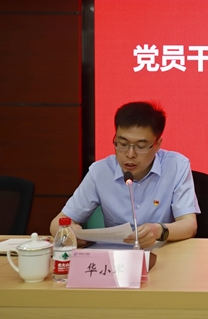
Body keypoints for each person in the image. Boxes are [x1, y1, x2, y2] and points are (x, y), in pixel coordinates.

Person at [50, 101, 200, 248]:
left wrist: (158, 230)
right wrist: (70, 232)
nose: (130, 154)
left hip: (163, 254)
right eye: (122, 144)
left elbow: (189, 225)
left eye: (140, 146)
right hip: (116, 257)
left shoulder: (177, 166)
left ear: (157, 144)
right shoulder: (100, 172)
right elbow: (58, 222)